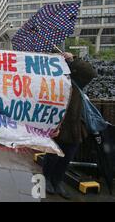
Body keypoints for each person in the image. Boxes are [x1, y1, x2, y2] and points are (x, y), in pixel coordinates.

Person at [43, 52, 97, 199]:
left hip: (73, 127)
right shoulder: (51, 78)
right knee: (53, 155)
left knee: (66, 157)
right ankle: (47, 179)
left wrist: (72, 60)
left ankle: (57, 181)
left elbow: (91, 72)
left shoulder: (77, 79)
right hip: (55, 124)